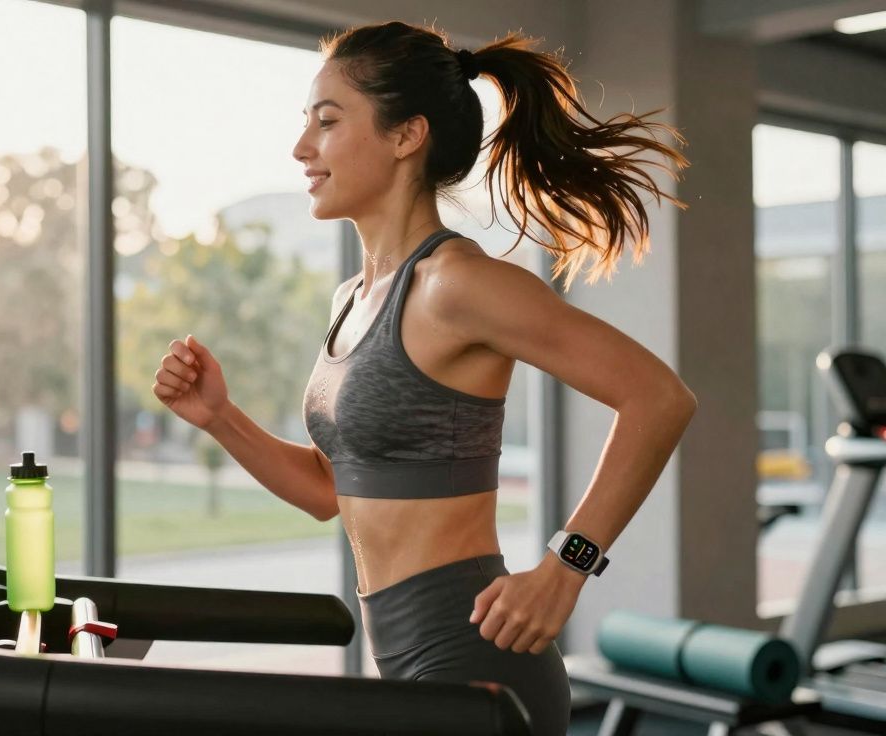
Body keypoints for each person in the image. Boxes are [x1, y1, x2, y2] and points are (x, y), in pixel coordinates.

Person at [151, 20, 697, 736]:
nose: (302, 147)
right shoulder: (351, 299)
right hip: (403, 658)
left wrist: (567, 567)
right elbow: (327, 491)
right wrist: (218, 416)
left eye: (327, 121)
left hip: (476, 653)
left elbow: (659, 397)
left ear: (406, 135)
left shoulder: (458, 284)